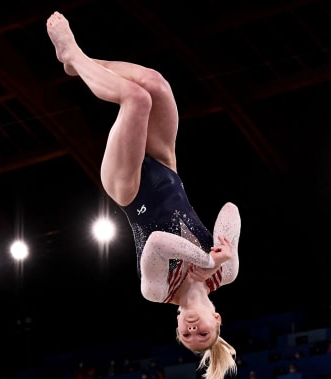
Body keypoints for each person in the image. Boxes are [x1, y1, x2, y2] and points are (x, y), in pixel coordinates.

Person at [46, 11, 241, 379]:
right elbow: (230, 209)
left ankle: (73, 56)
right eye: (204, 333)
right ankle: (80, 65)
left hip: (129, 189)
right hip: (168, 169)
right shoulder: (225, 273)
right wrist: (226, 249)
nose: (193, 329)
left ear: (178, 322)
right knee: (155, 83)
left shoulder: (157, 290)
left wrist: (205, 257)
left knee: (136, 99)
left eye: (187, 335)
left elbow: (155, 243)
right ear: (217, 319)